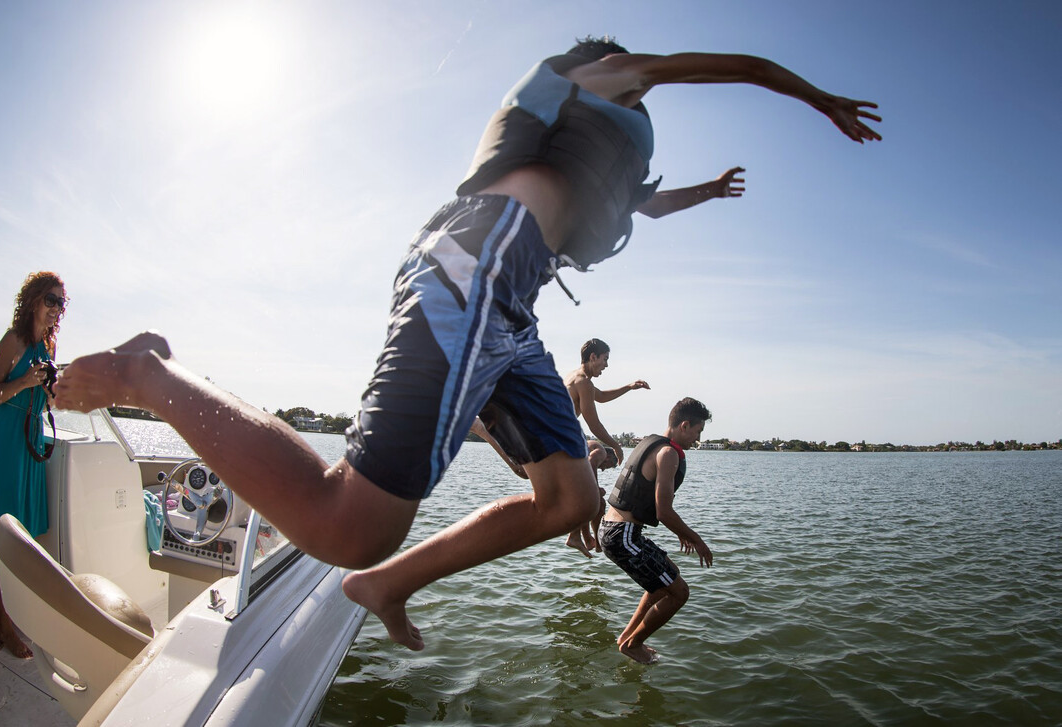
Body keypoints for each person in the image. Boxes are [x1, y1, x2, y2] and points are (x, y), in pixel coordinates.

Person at [54, 36, 880, 652]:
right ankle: (148, 373)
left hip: (513, 307)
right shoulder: (600, 75)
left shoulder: (609, 161)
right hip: (474, 265)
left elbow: (646, 209)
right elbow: (732, 64)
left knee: (573, 500)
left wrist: (712, 189)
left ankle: (387, 583)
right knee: (349, 522)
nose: (645, 102)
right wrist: (816, 98)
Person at [0, 271, 66, 657]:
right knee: (5, 534)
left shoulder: (49, 345)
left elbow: (46, 399)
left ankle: (21, 614)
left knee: (27, 532)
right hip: (6, 442)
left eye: (61, 303)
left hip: (32, 439)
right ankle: (4, 624)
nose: (56, 309)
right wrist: (26, 382)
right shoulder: (13, 341)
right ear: (33, 299)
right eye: (51, 299)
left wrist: (51, 390)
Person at [599, 397, 713, 664]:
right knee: (679, 592)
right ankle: (633, 645)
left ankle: (628, 637)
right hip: (622, 535)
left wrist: (682, 533)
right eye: (697, 432)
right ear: (684, 425)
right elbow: (663, 511)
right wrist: (697, 540)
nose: (696, 439)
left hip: (615, 531)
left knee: (666, 578)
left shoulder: (652, 442)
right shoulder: (668, 454)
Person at [564, 338, 649, 468]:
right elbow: (594, 425)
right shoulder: (584, 383)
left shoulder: (575, 377)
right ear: (593, 357)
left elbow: (601, 396)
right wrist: (616, 447)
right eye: (605, 359)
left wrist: (629, 387)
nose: (606, 365)